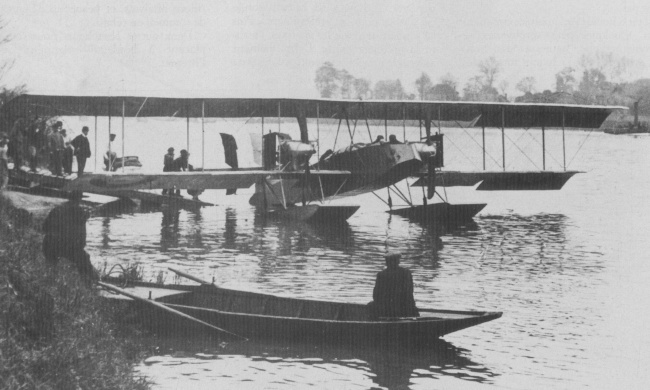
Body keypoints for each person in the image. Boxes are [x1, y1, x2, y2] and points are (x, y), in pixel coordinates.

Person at [42, 190, 98, 284]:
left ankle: (49, 281)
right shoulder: (79, 212)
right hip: (62, 246)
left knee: (51, 266)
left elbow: (44, 228)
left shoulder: (57, 209)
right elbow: (81, 241)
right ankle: (89, 284)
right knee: (84, 258)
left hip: (47, 244)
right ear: (79, 200)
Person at [368, 253, 419, 319]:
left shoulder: (381, 274)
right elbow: (409, 292)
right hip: (403, 306)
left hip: (387, 307)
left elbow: (376, 295)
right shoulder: (406, 273)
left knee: (370, 306)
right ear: (398, 261)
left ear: (387, 262)